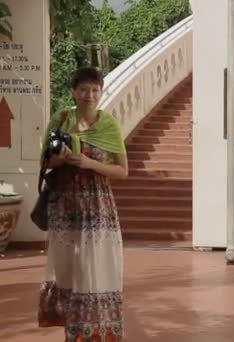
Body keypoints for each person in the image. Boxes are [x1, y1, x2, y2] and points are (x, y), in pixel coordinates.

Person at [37, 66, 128, 342]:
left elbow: (123, 171)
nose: (90, 95)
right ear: (74, 92)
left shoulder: (109, 125)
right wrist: (60, 159)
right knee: (70, 270)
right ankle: (73, 331)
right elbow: (44, 163)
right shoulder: (60, 120)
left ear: (101, 92)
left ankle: (97, 332)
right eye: (84, 89)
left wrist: (89, 163)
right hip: (65, 208)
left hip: (97, 208)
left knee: (95, 269)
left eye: (95, 89)